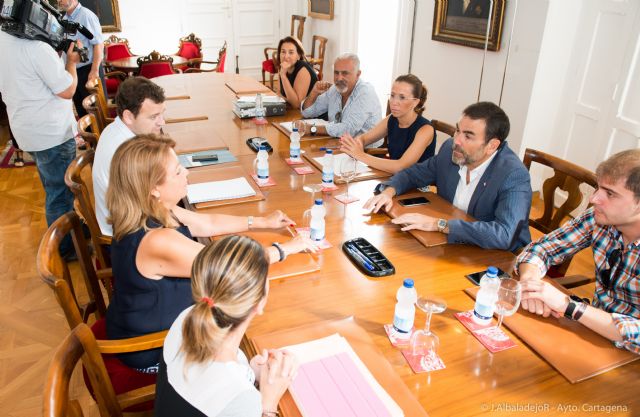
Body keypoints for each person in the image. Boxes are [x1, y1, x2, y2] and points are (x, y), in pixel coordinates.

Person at [105, 135, 315, 372]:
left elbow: (208, 223)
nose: (186, 172)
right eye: (177, 171)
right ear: (153, 188)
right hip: (152, 347)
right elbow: (231, 267)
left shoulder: (154, 208)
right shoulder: (157, 241)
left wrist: (261, 221)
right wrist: (286, 249)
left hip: (149, 318)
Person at [155, 235, 297, 416]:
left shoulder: (186, 319)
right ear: (260, 302)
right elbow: (228, 393)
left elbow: (209, 383)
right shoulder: (243, 398)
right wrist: (269, 402)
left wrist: (249, 372)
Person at [364, 101, 532, 252]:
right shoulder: (450, 150)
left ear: (492, 146)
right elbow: (414, 174)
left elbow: (504, 235)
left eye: (468, 136)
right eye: (457, 130)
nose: (456, 141)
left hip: (496, 256)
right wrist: (388, 192)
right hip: (450, 243)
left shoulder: (513, 175)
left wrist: (438, 224)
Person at [518, 149, 640, 354]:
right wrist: (531, 284)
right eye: (598, 188)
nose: (594, 198)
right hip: (591, 332)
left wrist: (569, 305)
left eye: (610, 193)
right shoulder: (598, 218)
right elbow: (542, 249)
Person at [0, 30, 81, 259]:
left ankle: (72, 228)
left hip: (26, 129)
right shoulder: (36, 47)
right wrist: (72, 62)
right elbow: (67, 90)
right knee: (59, 192)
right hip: (51, 133)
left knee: (53, 187)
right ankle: (65, 248)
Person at [93, 76, 167, 237]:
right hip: (128, 230)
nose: (162, 122)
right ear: (128, 116)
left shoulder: (118, 128)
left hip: (136, 215)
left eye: (162, 114)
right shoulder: (126, 152)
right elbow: (153, 205)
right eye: (153, 117)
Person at [340, 74, 436, 174]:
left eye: (402, 97)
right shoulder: (392, 119)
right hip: (394, 177)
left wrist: (360, 155)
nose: (394, 102)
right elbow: (364, 138)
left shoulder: (426, 129)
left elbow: (401, 167)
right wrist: (357, 143)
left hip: (417, 182)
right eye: (392, 95)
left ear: (415, 102)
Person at [301, 53, 382, 146]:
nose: (339, 78)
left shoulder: (365, 92)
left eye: (345, 73)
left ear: (358, 74)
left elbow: (348, 130)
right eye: (336, 73)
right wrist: (314, 92)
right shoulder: (334, 89)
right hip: (339, 144)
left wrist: (312, 129)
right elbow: (307, 113)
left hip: (366, 151)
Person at [58, 0, 105, 118]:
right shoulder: (64, 18)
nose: (59, 1)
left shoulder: (86, 15)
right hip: (73, 72)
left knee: (97, 114)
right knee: (82, 112)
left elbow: (98, 44)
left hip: (89, 71)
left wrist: (94, 71)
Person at [277, 36, 318, 108]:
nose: (286, 56)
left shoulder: (303, 69)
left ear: (298, 55)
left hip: (312, 113)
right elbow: (278, 93)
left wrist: (283, 76)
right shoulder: (283, 67)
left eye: (291, 52)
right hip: (292, 111)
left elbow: (296, 105)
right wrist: (287, 99)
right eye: (283, 52)